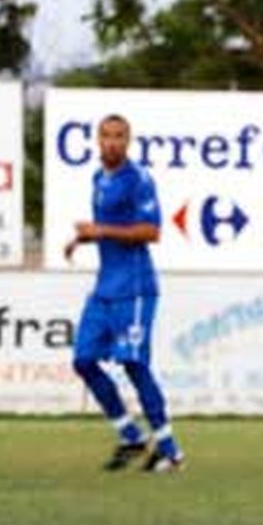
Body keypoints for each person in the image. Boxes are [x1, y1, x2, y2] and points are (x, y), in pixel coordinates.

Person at [64, 114, 185, 473]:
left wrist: (99, 230)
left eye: (119, 136)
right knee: (83, 360)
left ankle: (170, 449)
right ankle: (130, 435)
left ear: (128, 141)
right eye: (106, 136)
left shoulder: (139, 179)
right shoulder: (98, 178)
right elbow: (109, 231)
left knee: (133, 363)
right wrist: (83, 238)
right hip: (105, 287)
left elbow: (151, 231)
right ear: (97, 140)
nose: (112, 142)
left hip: (134, 289)